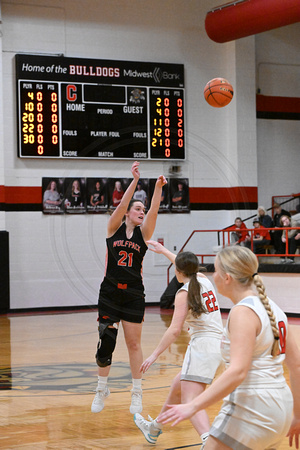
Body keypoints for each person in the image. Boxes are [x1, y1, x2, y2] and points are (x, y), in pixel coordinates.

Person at [157, 245, 300, 450]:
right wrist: (297, 414)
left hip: (252, 408)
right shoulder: (274, 308)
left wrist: (193, 405)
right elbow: (296, 366)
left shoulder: (243, 311)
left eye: (215, 270)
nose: (212, 276)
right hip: (282, 408)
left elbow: (238, 371)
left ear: (227, 278)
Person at [91, 162, 167, 415]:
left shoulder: (144, 235)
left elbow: (154, 211)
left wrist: (157, 189)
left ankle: (137, 394)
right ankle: (101, 387)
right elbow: (122, 205)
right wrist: (134, 181)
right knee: (106, 343)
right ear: (127, 213)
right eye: (137, 208)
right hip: (110, 292)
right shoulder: (114, 228)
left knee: (134, 345)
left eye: (142, 209)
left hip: (134, 293)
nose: (141, 211)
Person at [134, 241, 223, 447]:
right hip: (219, 345)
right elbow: (185, 266)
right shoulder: (203, 280)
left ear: (177, 271)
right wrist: (165, 251)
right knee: (177, 386)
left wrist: (153, 355)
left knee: (190, 400)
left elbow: (174, 330)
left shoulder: (183, 293)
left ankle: (207, 441)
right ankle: (154, 428)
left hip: (202, 347)